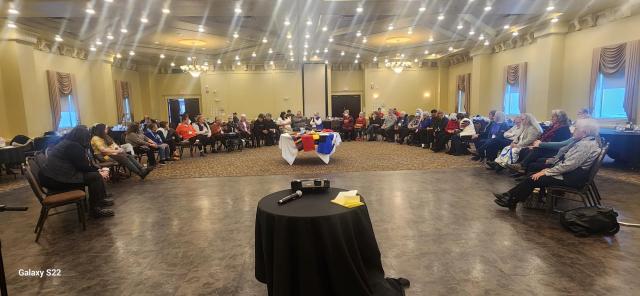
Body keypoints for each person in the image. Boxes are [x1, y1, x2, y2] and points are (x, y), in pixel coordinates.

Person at [493, 119, 602, 209]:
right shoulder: (586, 141)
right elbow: (568, 162)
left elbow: (569, 165)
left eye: (576, 128)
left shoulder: (585, 145)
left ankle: (511, 199)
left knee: (533, 178)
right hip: (571, 174)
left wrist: (547, 171)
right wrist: (549, 167)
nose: (573, 130)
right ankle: (511, 197)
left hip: (571, 177)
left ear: (585, 132)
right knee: (533, 174)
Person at [39, 126, 114, 218]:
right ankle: (95, 210)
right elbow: (81, 166)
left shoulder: (68, 142)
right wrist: (99, 171)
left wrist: (97, 170)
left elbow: (81, 165)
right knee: (95, 177)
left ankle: (100, 200)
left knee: (95, 175)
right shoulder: (73, 146)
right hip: (54, 179)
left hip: (51, 176)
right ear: (83, 137)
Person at [508, 110, 572, 174]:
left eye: (553, 117)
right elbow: (543, 136)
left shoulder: (564, 129)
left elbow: (556, 144)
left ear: (559, 118)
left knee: (536, 150)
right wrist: (537, 143)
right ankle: (522, 171)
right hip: (545, 146)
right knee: (524, 150)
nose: (551, 118)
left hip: (554, 150)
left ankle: (522, 166)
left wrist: (540, 144)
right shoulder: (552, 126)